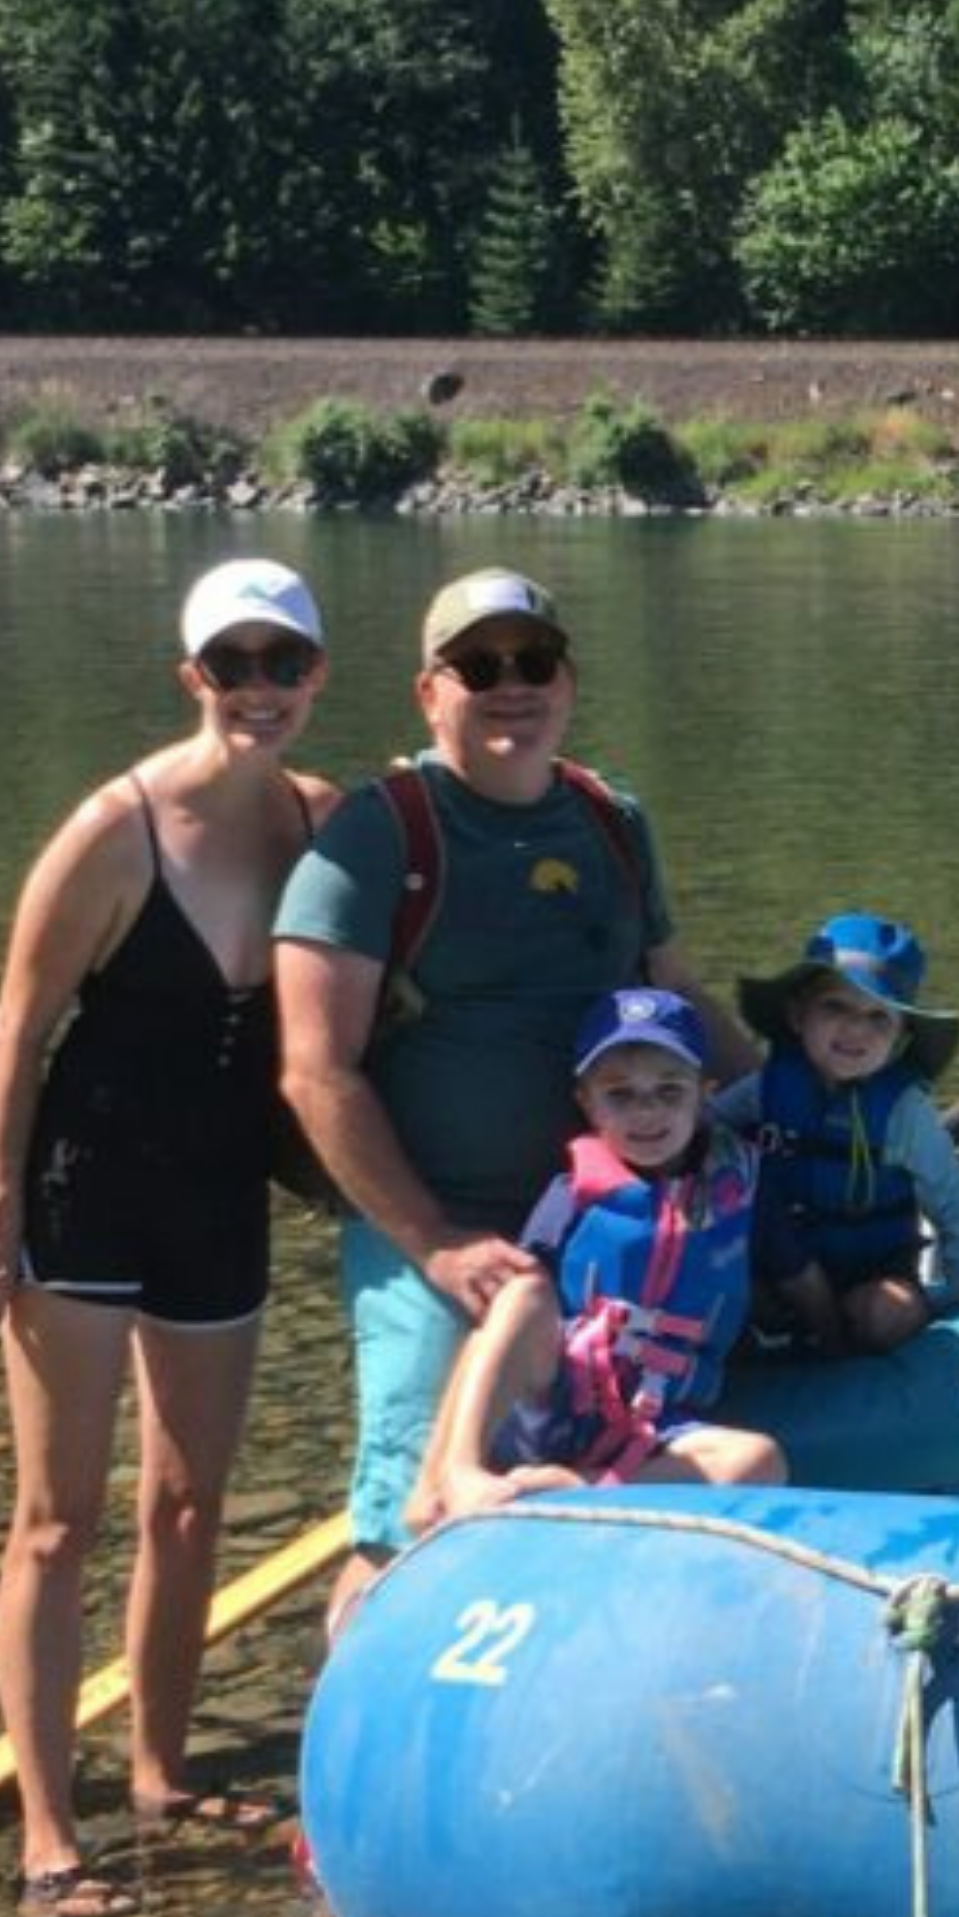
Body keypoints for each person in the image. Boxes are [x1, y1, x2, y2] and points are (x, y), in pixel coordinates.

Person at [0, 560, 342, 1917]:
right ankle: (53, 1835)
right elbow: (20, 1025)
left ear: (317, 676)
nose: (258, 690)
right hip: (87, 1184)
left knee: (189, 1504)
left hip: (217, 1191)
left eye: (281, 663)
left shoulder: (318, 822)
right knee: (58, 1522)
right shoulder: (115, 829)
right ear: (191, 677)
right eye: (230, 664)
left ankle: (160, 1771)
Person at [274, 567, 749, 1630]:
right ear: (428, 693)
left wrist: (781, 1104)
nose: (510, 685)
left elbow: (673, 991)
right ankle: (356, 1749)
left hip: (601, 1224)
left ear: (567, 681)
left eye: (530, 661)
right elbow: (314, 1070)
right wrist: (437, 1242)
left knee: (609, 1469)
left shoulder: (611, 821)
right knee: (409, 1515)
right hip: (437, 1224)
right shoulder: (378, 834)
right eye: (477, 666)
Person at [408, 988, 784, 1523]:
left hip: (655, 1424)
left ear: (705, 1095)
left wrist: (837, 1331)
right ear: (587, 1102)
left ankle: (578, 1489)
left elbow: (797, 1274)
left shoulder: (737, 1190)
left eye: (669, 1091)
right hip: (558, 1397)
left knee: (759, 1460)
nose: (646, 1110)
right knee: (521, 1291)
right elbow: (496, 1331)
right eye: (620, 1094)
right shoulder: (571, 1195)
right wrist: (433, 1473)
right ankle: (459, 1471)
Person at [718, 912, 959, 1352]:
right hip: (779, 1269)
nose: (855, 1030)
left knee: (885, 1315)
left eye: (878, 1018)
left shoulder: (904, 1112)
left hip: (873, 1274)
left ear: (901, 1038)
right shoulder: (764, 1091)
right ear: (797, 1015)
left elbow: (950, 1195)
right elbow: (704, 1129)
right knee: (727, 1295)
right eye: (835, 1007)